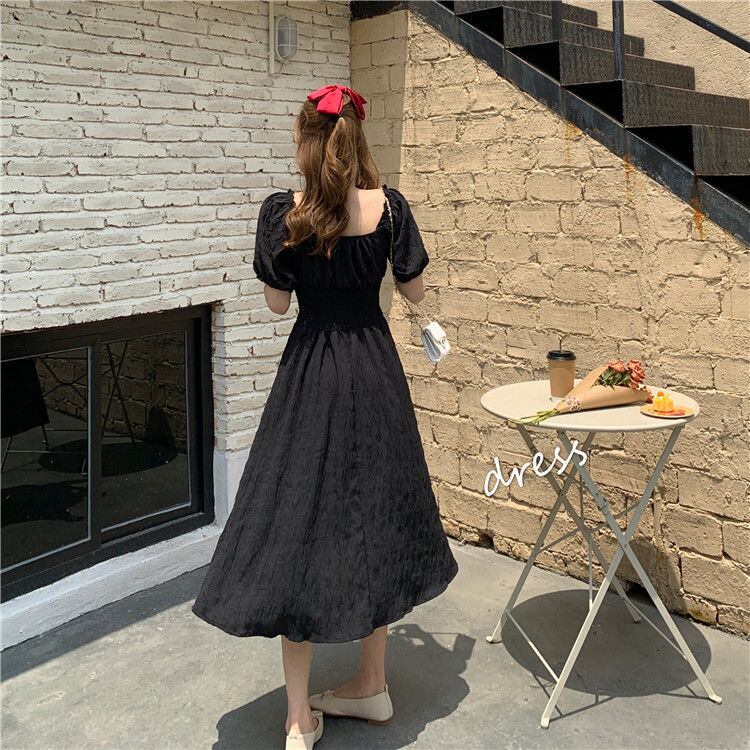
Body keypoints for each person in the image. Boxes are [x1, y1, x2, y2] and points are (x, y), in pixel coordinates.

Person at [192, 84, 459, 750]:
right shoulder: (390, 207)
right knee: (376, 512)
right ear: (358, 138)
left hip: (312, 371)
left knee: (298, 525)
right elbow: (416, 289)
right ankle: (372, 683)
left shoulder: (287, 213)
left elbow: (277, 305)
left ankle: (297, 718)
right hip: (373, 369)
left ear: (308, 142)